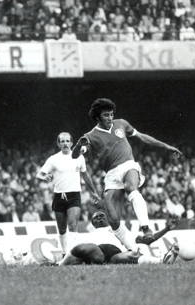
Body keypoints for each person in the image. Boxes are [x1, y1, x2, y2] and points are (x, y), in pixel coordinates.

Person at [72, 98, 182, 252]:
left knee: (132, 187)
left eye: (111, 114)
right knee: (113, 219)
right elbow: (74, 156)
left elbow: (142, 137)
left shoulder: (121, 124)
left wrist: (166, 146)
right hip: (111, 175)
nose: (110, 118)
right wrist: (78, 145)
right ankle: (133, 251)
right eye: (106, 115)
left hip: (128, 164)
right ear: (97, 117)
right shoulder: (90, 136)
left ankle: (146, 228)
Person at [37, 132, 100, 255]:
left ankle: (73, 254)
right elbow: (39, 174)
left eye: (67, 141)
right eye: (62, 141)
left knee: (73, 224)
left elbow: (85, 174)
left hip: (74, 195)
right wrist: (44, 178)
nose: (65, 144)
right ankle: (65, 253)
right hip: (59, 195)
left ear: (72, 143)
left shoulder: (79, 157)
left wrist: (93, 192)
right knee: (61, 228)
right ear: (58, 144)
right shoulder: (53, 159)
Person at [55, 211, 181, 266]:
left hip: (115, 256)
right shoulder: (90, 235)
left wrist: (167, 229)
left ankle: (162, 260)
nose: (99, 217)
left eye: (101, 216)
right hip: (97, 253)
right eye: (96, 217)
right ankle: (60, 264)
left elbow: (146, 240)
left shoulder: (119, 230)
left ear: (108, 219)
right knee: (83, 247)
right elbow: (78, 251)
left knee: (131, 255)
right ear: (93, 222)